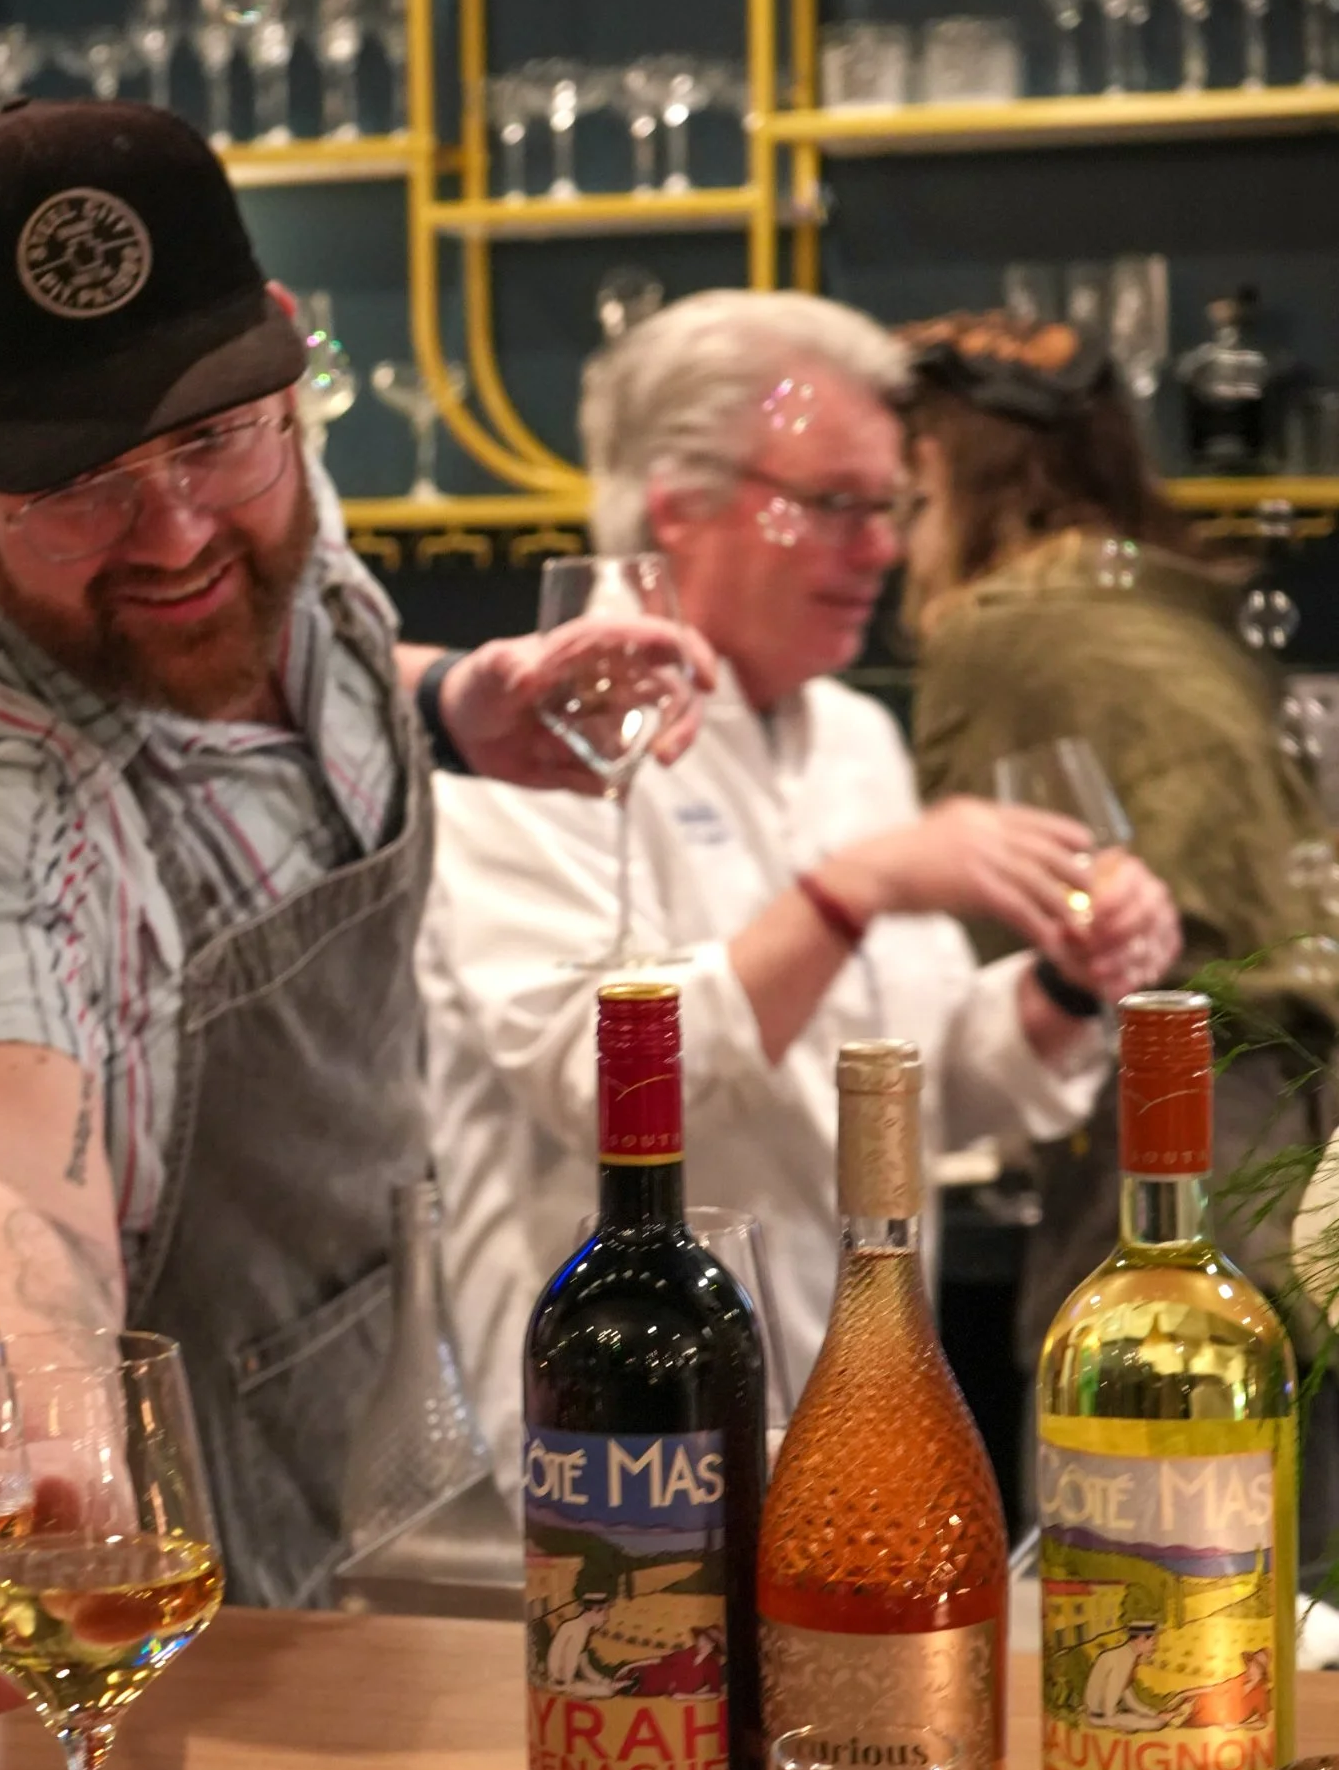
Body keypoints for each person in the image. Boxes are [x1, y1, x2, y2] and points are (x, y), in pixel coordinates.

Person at [0, 98, 706, 1674]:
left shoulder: (259, 489)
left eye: (211, 440)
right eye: (80, 487)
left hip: (350, 1451)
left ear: (284, 352)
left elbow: (254, 663)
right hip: (112, 1582)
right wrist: (42, 1485)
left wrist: (457, 697)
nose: (175, 529)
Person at [416, 289, 1180, 1496]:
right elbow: (591, 1080)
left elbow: (912, 1095)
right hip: (622, 1435)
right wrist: (845, 894)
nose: (878, 547)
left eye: (890, 507)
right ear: (678, 503)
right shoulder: (538, 733)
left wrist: (1061, 989)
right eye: (833, 506)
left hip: (852, 1411)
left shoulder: (852, 736)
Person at [901, 310, 1337, 1374]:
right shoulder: (1172, 602)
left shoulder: (1000, 627)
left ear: (945, 470)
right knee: (1278, 1504)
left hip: (1169, 1098)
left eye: (899, 495)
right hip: (1299, 1112)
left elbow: (960, 923)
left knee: (1120, 1486)